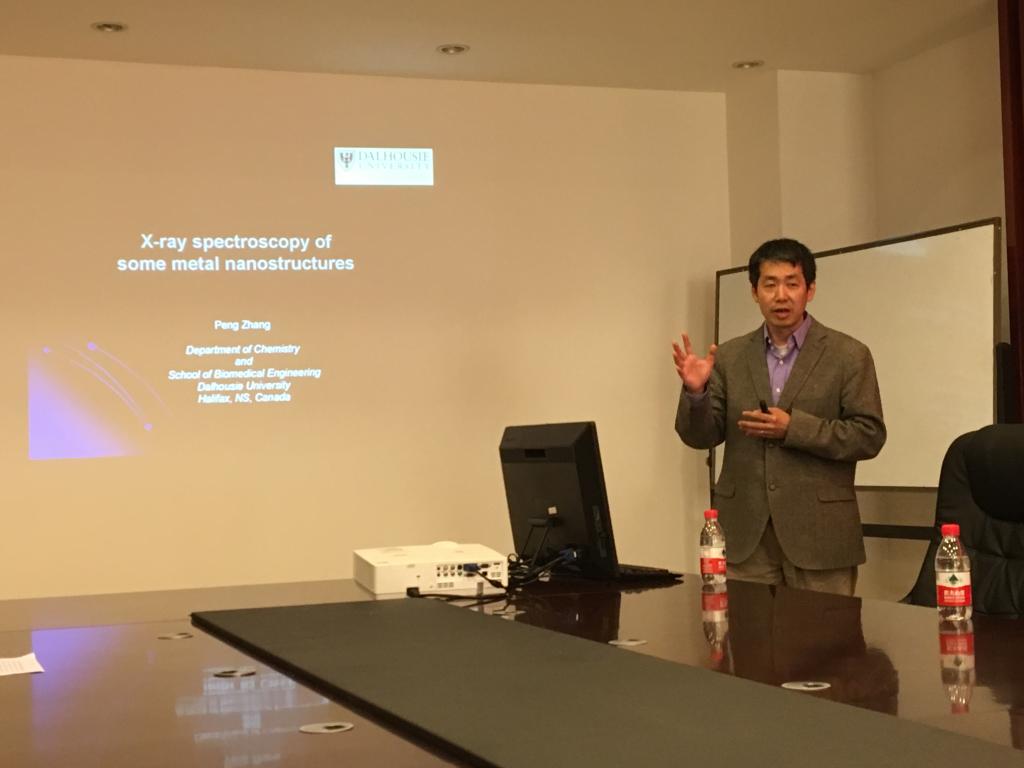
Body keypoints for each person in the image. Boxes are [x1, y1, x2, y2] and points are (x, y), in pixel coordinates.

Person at [673, 238, 885, 595]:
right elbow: (700, 437)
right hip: (746, 533)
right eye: (770, 284)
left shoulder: (848, 354)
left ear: (810, 290)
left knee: (824, 631)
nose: (781, 295)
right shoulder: (730, 356)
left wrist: (793, 428)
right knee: (745, 630)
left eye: (792, 283)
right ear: (754, 292)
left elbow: (868, 435)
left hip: (820, 534)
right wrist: (697, 393)